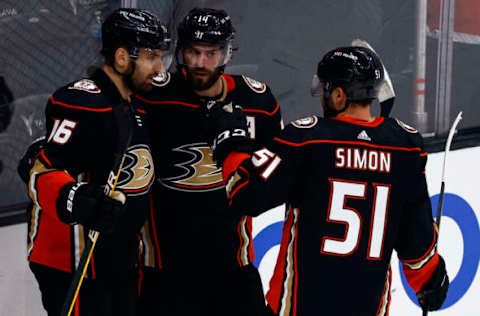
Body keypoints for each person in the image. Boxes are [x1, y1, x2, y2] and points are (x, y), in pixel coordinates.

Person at [204, 46, 449, 315]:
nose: (322, 96)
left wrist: (232, 143)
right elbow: (417, 245)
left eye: (325, 89)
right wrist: (429, 279)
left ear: (339, 94)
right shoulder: (405, 147)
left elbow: (245, 193)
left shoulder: (306, 138)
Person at [135, 7, 283, 316]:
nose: (201, 63)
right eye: (193, 52)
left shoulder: (258, 102)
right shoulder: (152, 96)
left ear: (227, 53)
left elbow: (275, 176)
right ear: (181, 51)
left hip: (233, 266)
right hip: (165, 270)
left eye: (211, 53)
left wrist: (242, 153)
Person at [25, 8, 172, 316]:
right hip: (75, 262)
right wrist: (75, 200)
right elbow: (41, 171)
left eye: (162, 57)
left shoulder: (136, 104)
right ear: (121, 57)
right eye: (151, 56)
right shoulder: (82, 102)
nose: (159, 67)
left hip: (119, 259)